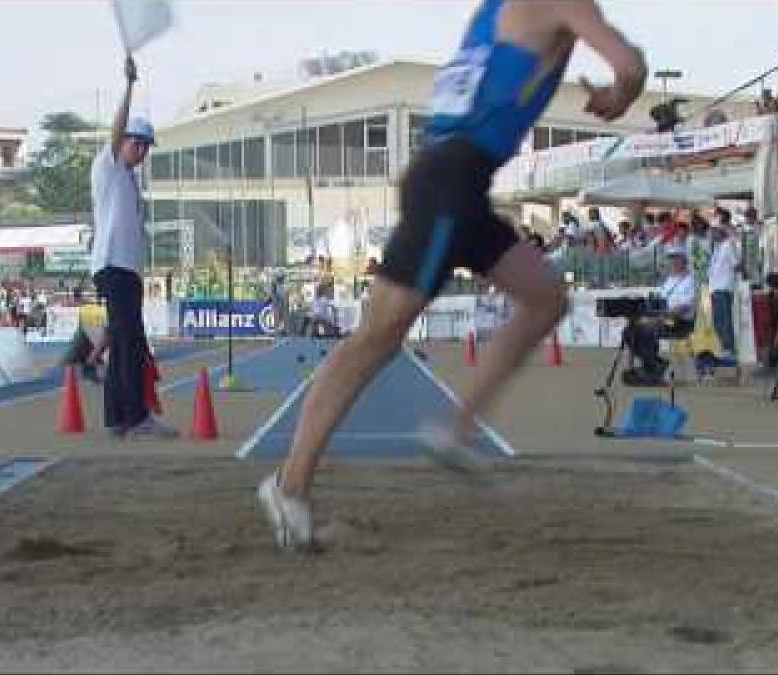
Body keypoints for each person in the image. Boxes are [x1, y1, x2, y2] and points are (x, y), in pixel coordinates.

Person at [256, 0, 648, 550]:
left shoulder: (491, 9)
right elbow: (629, 66)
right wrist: (619, 94)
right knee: (375, 339)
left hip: (458, 182)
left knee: (545, 298)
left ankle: (455, 428)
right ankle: (289, 485)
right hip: (450, 181)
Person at [89, 53, 177, 439]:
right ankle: (137, 417)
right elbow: (116, 129)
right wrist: (128, 85)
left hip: (126, 271)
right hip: (115, 267)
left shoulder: (130, 181)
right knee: (130, 345)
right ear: (123, 142)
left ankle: (117, 419)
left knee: (126, 343)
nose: (141, 151)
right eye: (137, 143)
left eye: (146, 146)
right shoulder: (107, 167)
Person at [621, 246, 697, 386]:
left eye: (676, 258)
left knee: (648, 329)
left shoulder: (690, 281)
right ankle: (648, 365)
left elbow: (685, 307)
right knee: (630, 330)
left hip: (679, 321)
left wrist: (661, 316)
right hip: (664, 318)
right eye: (671, 258)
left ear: (684, 260)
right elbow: (659, 303)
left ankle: (653, 368)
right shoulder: (669, 280)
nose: (673, 261)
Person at [707, 208, 740, 361]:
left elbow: (736, 265)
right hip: (715, 288)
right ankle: (724, 348)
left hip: (724, 287)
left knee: (724, 320)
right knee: (717, 321)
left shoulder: (728, 245)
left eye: (713, 231)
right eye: (711, 231)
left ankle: (729, 349)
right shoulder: (716, 248)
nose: (711, 234)